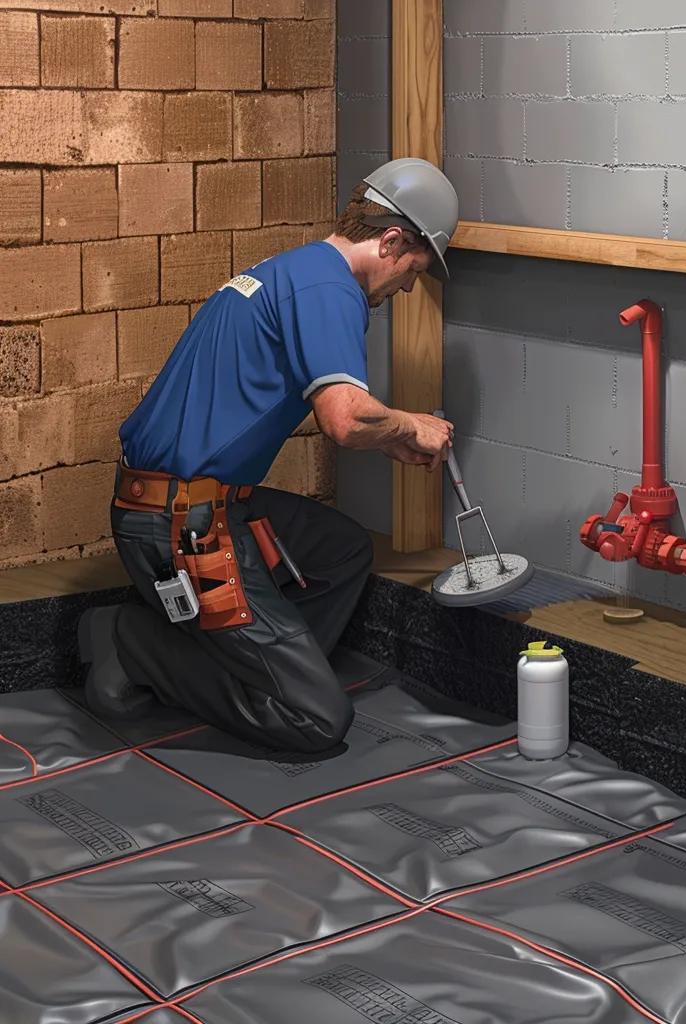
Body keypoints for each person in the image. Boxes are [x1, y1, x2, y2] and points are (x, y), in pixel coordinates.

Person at [76, 158, 459, 754]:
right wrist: (412, 424)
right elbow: (344, 418)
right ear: (390, 240)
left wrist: (391, 439)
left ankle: (264, 663)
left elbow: (347, 418)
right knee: (319, 721)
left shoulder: (295, 270)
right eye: (415, 267)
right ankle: (132, 641)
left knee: (341, 549)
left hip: (177, 501)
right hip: (182, 526)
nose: (410, 286)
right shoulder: (332, 290)